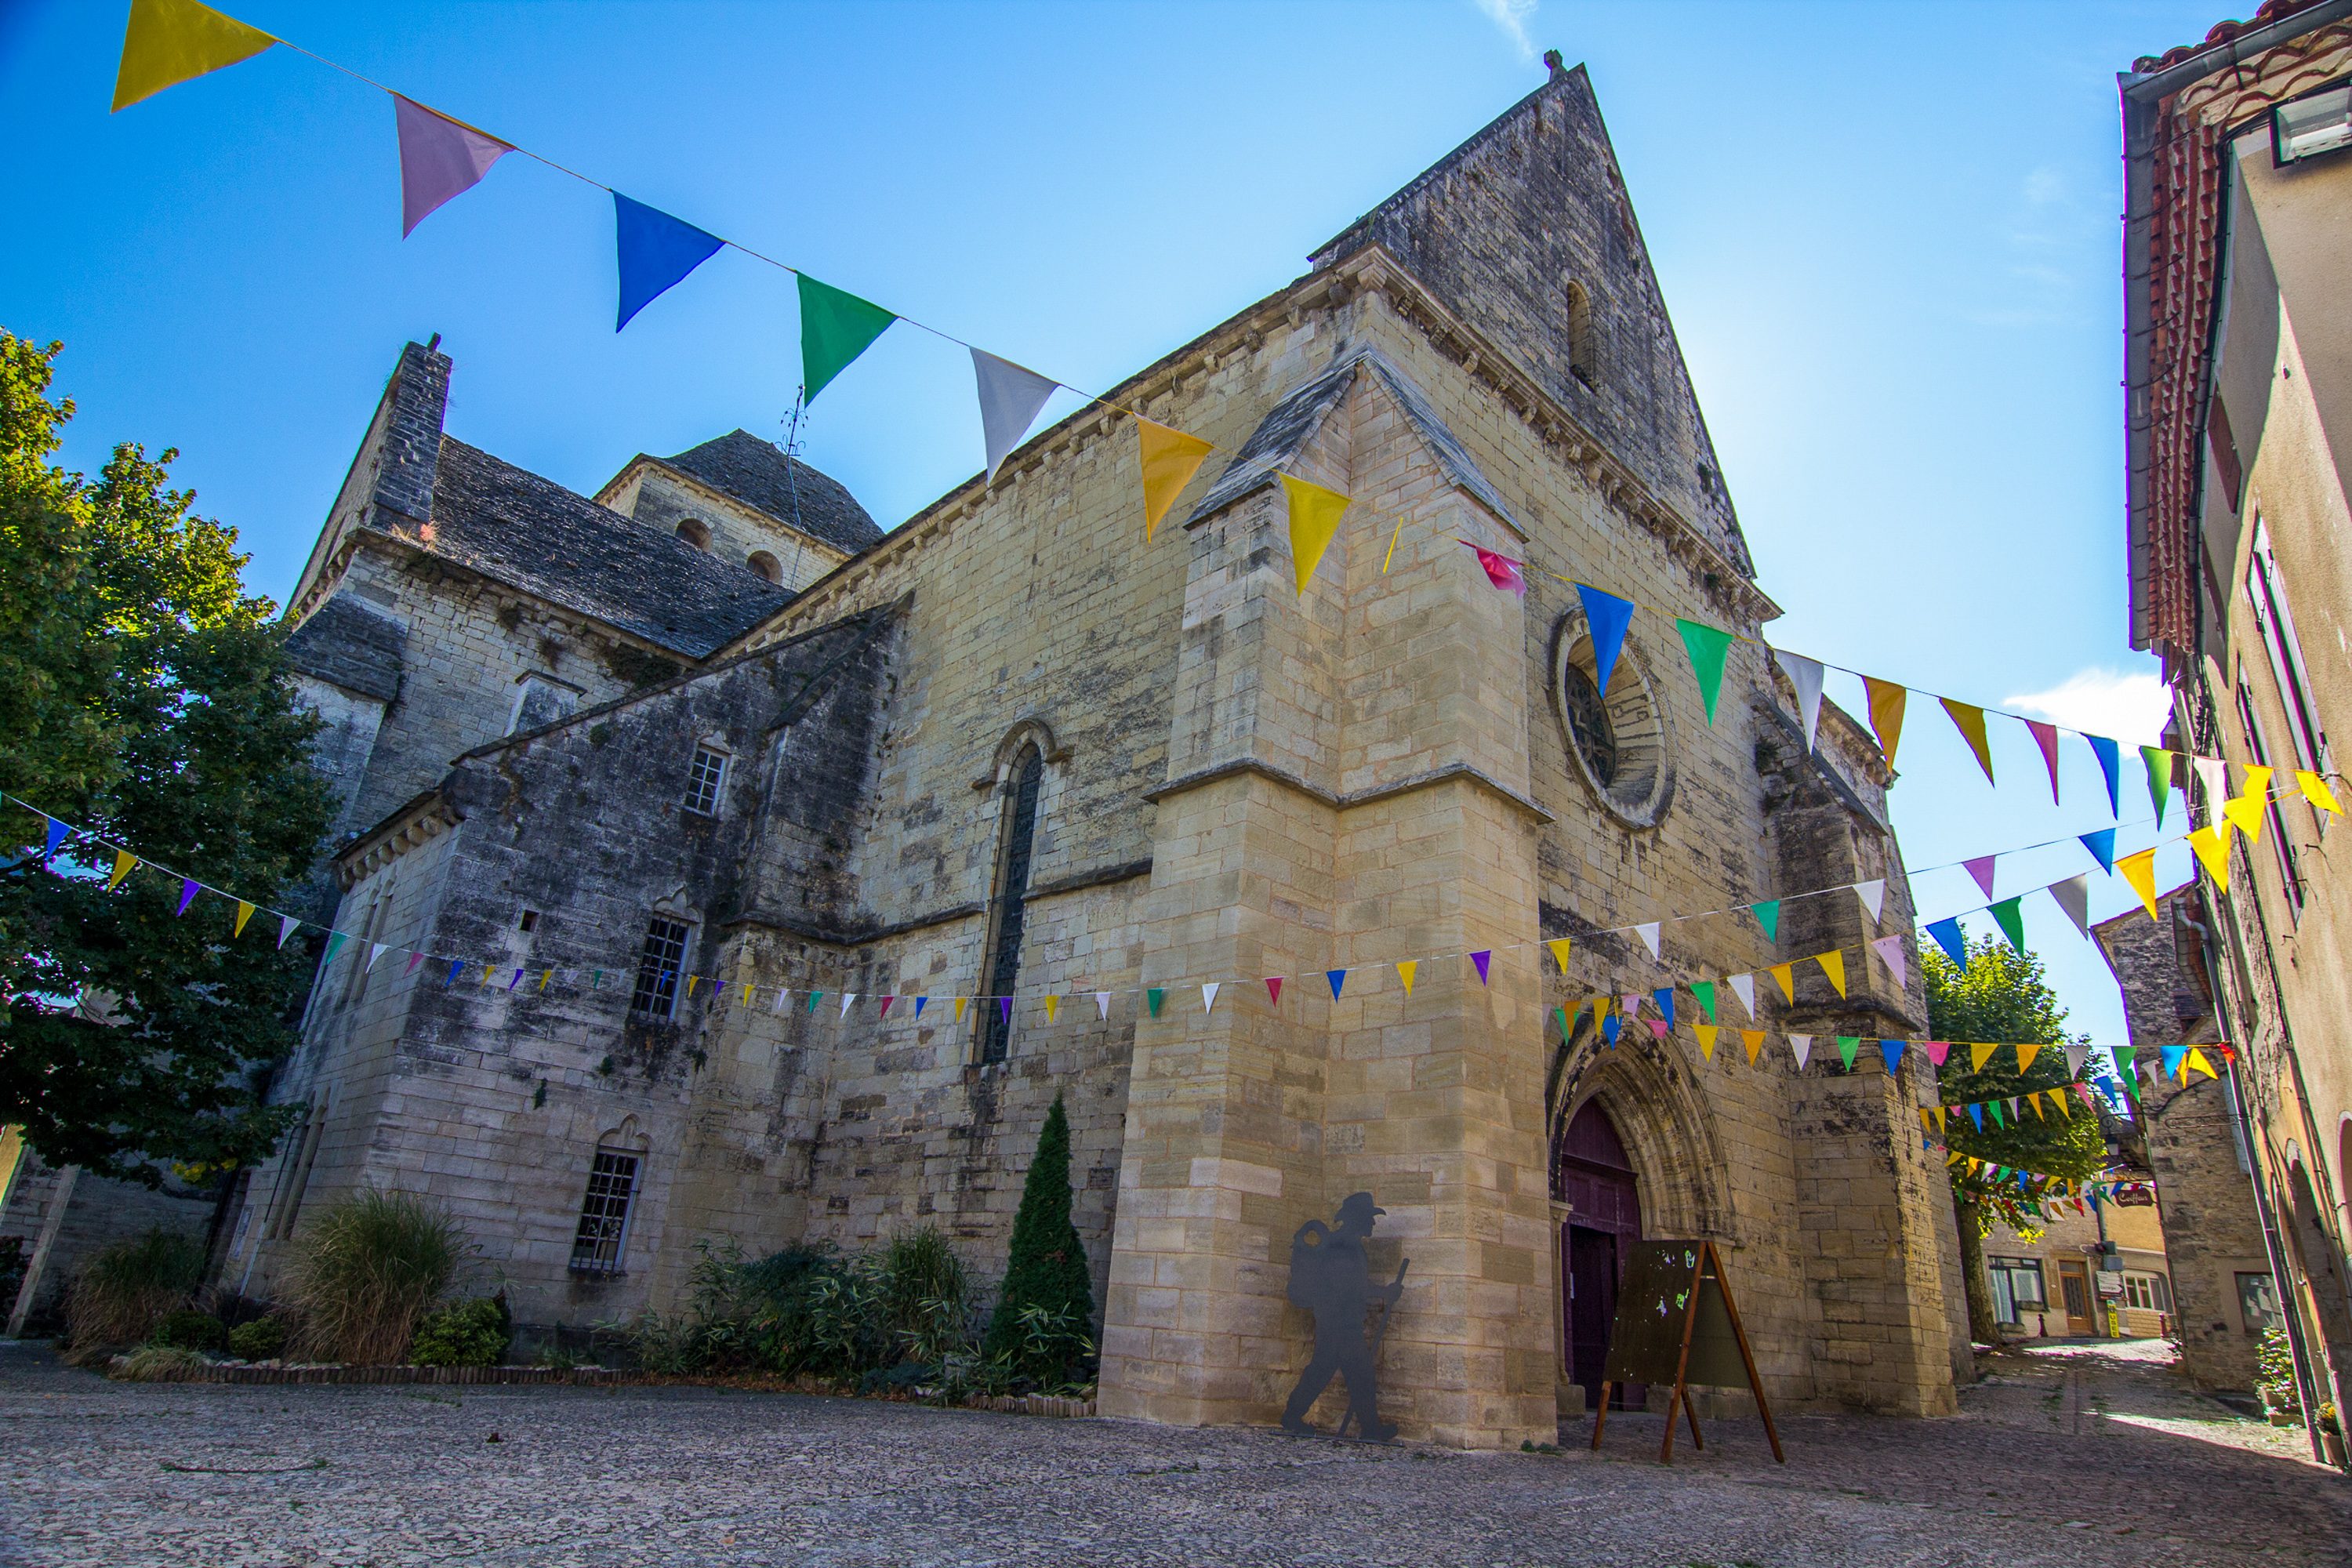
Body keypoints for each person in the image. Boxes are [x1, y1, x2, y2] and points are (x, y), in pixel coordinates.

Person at [1281, 1191, 1405, 1440]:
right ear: (1356, 1219)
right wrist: (1384, 1292)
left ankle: (1294, 1416)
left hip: (1342, 1320)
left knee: (1332, 1370)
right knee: (1353, 1372)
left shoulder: (1351, 1246)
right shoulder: (1341, 1247)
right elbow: (1349, 1287)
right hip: (1337, 1322)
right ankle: (1369, 1427)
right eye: (1368, 1218)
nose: (1372, 1223)